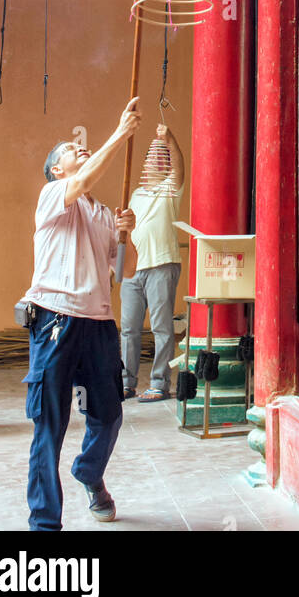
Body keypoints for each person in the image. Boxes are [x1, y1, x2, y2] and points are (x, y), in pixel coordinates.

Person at [21, 97, 141, 531]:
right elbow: (89, 173)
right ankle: (45, 524)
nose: (79, 151)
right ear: (57, 170)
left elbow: (126, 269)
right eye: (70, 152)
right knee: (49, 426)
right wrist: (120, 133)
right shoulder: (54, 195)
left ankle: (89, 473)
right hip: (55, 320)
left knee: (108, 414)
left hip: (99, 326)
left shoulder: (104, 213)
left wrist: (127, 234)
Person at [120, 121, 185, 403]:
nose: (155, 160)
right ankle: (125, 382)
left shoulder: (170, 188)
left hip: (161, 265)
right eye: (152, 156)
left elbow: (180, 167)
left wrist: (169, 139)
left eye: (162, 156)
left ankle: (159, 382)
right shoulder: (135, 194)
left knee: (161, 327)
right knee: (129, 328)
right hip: (134, 269)